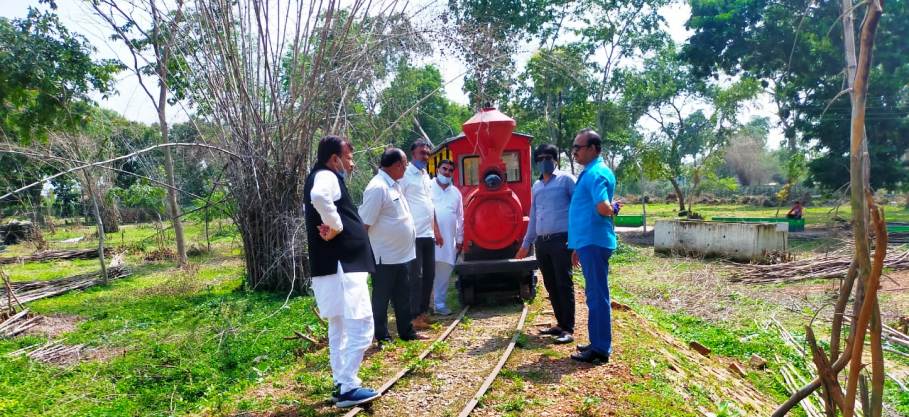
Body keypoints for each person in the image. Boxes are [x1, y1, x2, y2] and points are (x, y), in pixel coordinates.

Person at [303, 135, 380, 408]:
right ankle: (347, 386)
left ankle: (341, 384)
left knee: (340, 328)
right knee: (360, 324)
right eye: (348, 157)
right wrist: (335, 225)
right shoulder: (326, 177)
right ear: (334, 158)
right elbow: (319, 197)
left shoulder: (319, 175)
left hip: (333, 267)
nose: (351, 162)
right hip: (343, 264)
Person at [359, 148, 427, 347]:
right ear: (397, 165)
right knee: (382, 298)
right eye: (405, 164)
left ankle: (406, 332)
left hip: (401, 254)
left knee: (402, 295)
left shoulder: (394, 185)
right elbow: (365, 224)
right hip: (384, 255)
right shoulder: (377, 188)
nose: (406, 168)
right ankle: (382, 336)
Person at [516, 144, 577, 344]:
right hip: (542, 243)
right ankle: (560, 323)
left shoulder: (566, 180)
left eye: (548, 157)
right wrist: (527, 243)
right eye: (540, 158)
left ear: (555, 159)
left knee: (563, 283)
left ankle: (568, 328)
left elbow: (579, 209)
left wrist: (576, 241)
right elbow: (534, 215)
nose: (544, 161)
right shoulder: (536, 186)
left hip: (562, 240)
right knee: (550, 284)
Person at [568, 128, 618, 364]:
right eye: (574, 147)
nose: (574, 151)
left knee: (597, 295)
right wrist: (578, 246)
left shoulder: (596, 173)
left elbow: (602, 206)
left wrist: (612, 210)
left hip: (594, 241)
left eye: (579, 147)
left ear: (593, 149)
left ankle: (600, 348)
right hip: (588, 242)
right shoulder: (591, 172)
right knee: (594, 294)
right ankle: (597, 342)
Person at [400, 140, 443, 328]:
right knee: (415, 276)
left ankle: (423, 312)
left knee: (429, 274)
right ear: (413, 154)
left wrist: (437, 229)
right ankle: (413, 315)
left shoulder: (426, 175)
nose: (425, 157)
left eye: (427, 153)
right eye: (421, 153)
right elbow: (398, 202)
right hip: (413, 233)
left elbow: (430, 204)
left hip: (428, 233)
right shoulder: (405, 175)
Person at [430, 159, 463, 315]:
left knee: (443, 274)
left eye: (450, 170)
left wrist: (460, 239)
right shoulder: (427, 187)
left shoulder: (455, 192)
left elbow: (460, 217)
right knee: (426, 273)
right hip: (428, 238)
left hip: (449, 241)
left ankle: (440, 304)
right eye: (444, 169)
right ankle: (425, 307)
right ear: (437, 169)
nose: (447, 172)